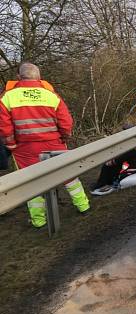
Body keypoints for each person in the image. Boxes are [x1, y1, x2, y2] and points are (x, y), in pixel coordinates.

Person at [0, 63, 90, 227]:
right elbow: (66, 122)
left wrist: (11, 144)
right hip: (54, 143)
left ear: (19, 77)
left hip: (25, 148)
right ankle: (83, 206)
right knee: (68, 175)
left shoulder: (8, 96)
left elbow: (4, 126)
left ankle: (39, 221)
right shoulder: (51, 95)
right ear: (39, 77)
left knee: (31, 182)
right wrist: (64, 137)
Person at [91, 124, 136, 196]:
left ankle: (101, 185)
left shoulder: (131, 149)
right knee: (119, 164)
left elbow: (115, 161)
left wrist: (110, 161)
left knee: (108, 166)